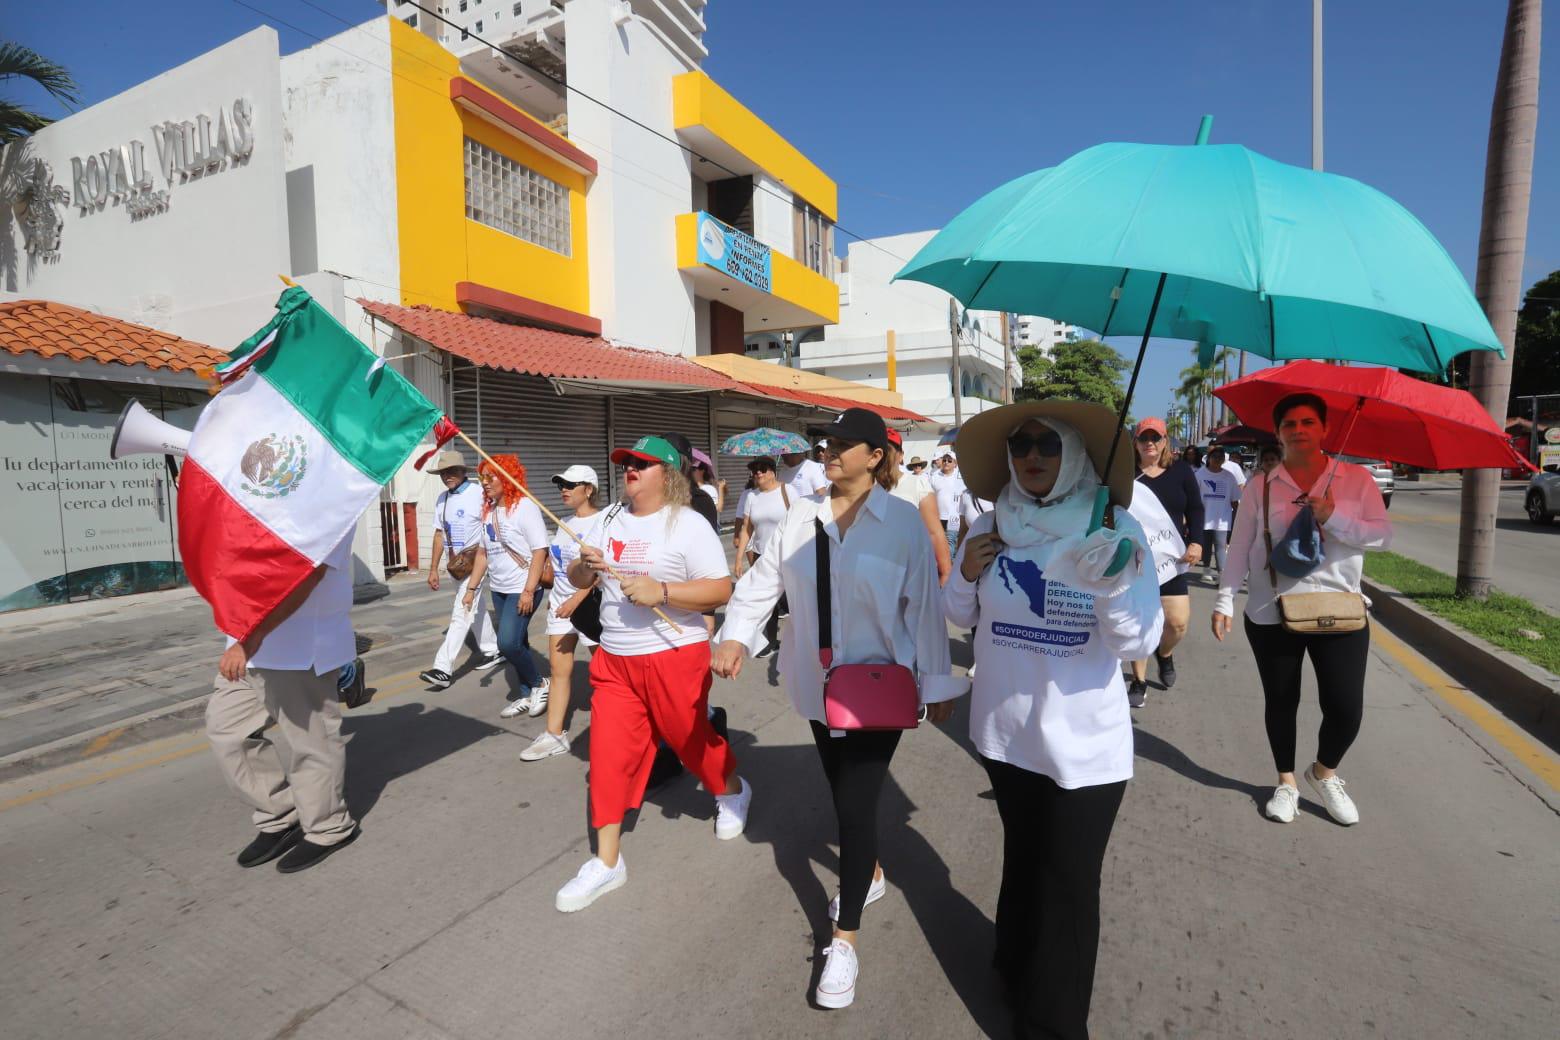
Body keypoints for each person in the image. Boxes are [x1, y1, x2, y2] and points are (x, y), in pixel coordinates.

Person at [714, 407, 962, 1010]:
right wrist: (735, 635)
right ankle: (870, 872)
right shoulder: (803, 518)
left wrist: (936, 683)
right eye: (829, 442)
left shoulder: (902, 523)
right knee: (838, 785)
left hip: (880, 689)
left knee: (855, 805)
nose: (831, 451)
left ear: (876, 456)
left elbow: (924, 610)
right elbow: (760, 584)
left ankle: (842, 941)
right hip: (817, 688)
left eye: (845, 444)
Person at [943, 401, 1163, 1038]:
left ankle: (1054, 1024)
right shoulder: (991, 523)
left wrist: (1113, 581)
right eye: (1020, 445)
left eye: (1047, 445)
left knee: (1068, 888)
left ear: (1073, 456)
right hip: (1004, 738)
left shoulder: (1117, 526)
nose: (1032, 456)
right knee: (1023, 861)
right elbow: (960, 615)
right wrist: (965, 570)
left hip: (1083, 750)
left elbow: (1137, 643)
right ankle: (1012, 970)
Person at [554, 435, 750, 913]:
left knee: (688, 737)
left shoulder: (687, 525)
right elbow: (581, 580)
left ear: (669, 474)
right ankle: (606, 862)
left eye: (642, 464)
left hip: (675, 654)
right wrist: (584, 567)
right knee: (605, 755)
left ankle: (731, 790)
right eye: (626, 463)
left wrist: (662, 591)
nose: (630, 470)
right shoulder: (606, 520)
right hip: (615, 660)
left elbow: (721, 589)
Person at [1212, 393, 1391, 826]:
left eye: (1308, 421)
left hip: (1340, 610)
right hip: (1272, 609)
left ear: (1324, 429)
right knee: (1281, 700)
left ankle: (1324, 773)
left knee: (1346, 707)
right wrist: (1224, 599)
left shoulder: (1356, 481)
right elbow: (1239, 546)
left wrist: (1333, 517)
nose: (1299, 430)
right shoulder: (1262, 485)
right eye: (1289, 423)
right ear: (1278, 432)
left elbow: (1382, 537)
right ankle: (1287, 782)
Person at [206, 535, 361, 873]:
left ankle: (328, 827)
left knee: (312, 743)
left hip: (298, 646)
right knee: (227, 731)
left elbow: (308, 572)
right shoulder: (253, 493)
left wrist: (253, 638)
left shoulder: (318, 496)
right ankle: (280, 812)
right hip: (246, 646)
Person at [521, 465, 601, 762]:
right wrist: (541, 582)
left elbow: (601, 571)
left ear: (589, 489)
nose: (563, 489)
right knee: (558, 672)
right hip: (560, 608)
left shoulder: (603, 521)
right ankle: (554, 734)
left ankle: (628, 729)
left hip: (590, 608)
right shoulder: (562, 522)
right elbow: (556, 571)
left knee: (609, 675)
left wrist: (577, 600)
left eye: (570, 484)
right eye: (560, 485)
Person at [463, 454, 551, 720]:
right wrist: (471, 588)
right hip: (499, 588)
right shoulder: (489, 510)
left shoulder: (524, 507)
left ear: (509, 477)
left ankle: (539, 683)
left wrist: (528, 590)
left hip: (522, 587)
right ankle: (525, 693)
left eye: (491, 476)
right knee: (519, 640)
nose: (485, 482)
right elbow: (482, 553)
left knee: (507, 643)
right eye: (483, 477)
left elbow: (539, 551)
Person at [1126, 419, 1203, 708]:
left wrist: (1196, 541)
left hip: (1171, 561)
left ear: (1165, 441)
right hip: (1135, 562)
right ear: (1135, 442)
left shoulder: (1180, 471)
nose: (1150, 443)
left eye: (1155, 438)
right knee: (1139, 623)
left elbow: (1195, 508)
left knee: (1178, 623)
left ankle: (1165, 654)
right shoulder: (1126, 475)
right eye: (1143, 438)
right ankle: (1139, 679)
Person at [421, 452, 501, 690]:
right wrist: (433, 568)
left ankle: (442, 668)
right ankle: (492, 649)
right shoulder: (442, 499)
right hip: (456, 565)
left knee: (462, 610)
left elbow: (495, 520)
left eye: (452, 471)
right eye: (444, 473)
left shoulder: (479, 493)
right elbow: (439, 534)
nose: (448, 476)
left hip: (477, 560)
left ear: (463, 471)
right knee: (474, 609)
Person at [732, 456, 791, 657]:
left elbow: (801, 520)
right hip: (761, 556)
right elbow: (747, 529)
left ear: (773, 471)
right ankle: (771, 641)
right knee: (768, 601)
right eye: (755, 470)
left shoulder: (787, 490)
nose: (758, 473)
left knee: (796, 600)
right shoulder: (752, 496)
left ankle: (803, 639)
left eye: (762, 469)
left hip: (788, 555)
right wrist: (739, 558)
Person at [884, 430, 953, 584]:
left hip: (910, 575)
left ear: (900, 455)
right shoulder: (866, 487)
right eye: (880, 449)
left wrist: (945, 573)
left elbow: (935, 533)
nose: (885, 455)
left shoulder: (917, 484)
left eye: (890, 450)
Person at [1196, 447, 1244, 582]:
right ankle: (1206, 569)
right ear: (1209, 458)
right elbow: (1193, 496)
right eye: (1215, 456)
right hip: (1204, 516)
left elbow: (1235, 499)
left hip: (1223, 517)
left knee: (1220, 545)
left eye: (1220, 457)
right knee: (1206, 545)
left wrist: (1240, 516)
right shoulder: (1200, 474)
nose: (1217, 459)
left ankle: (1222, 574)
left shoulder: (1229, 476)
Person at [928, 448, 967, 559]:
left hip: (953, 517)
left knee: (950, 544)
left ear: (955, 464)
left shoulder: (961, 477)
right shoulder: (934, 476)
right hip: (938, 517)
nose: (946, 462)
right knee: (938, 545)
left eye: (950, 461)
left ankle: (948, 571)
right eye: (944, 460)